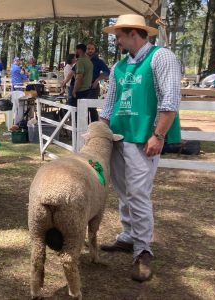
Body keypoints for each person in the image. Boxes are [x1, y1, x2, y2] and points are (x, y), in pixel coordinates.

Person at [99, 14, 182, 282]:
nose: (117, 40)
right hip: (118, 135)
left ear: (134, 33)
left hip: (144, 136)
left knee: (139, 193)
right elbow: (109, 104)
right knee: (123, 190)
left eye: (119, 35)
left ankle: (143, 249)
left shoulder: (161, 57)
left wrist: (158, 135)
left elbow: (170, 100)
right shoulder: (120, 67)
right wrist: (100, 133)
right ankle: (128, 236)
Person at [72, 43, 95, 120]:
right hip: (87, 89)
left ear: (79, 50)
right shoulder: (89, 61)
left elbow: (79, 77)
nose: (76, 52)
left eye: (76, 50)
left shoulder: (80, 61)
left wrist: (74, 90)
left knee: (74, 112)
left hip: (80, 90)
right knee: (84, 113)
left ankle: (75, 130)